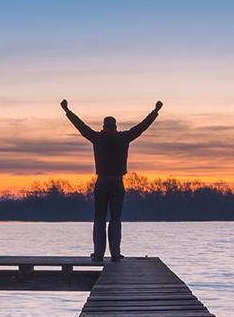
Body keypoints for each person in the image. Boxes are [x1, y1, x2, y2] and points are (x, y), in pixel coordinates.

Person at [61, 99, 163, 261]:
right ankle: (115, 254)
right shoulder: (123, 138)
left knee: (99, 218)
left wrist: (67, 110)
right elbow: (142, 126)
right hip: (117, 182)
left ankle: (99, 255)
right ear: (115, 126)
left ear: (103, 126)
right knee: (115, 218)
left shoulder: (97, 138)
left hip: (102, 182)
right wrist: (155, 111)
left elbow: (80, 126)